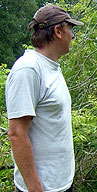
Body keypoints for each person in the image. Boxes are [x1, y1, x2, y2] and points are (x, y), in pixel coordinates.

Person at [5, 5, 83, 192]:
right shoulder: (29, 69)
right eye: (70, 29)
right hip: (43, 188)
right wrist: (35, 188)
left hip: (61, 183)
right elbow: (16, 133)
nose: (72, 36)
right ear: (58, 31)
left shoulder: (51, 67)